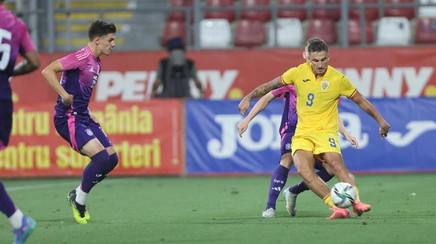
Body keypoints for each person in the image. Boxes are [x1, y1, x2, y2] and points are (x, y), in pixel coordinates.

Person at [238, 38, 390, 219]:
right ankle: (336, 207)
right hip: (301, 133)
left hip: (326, 133)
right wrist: (248, 97)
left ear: (329, 57)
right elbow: (269, 87)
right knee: (304, 170)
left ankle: (356, 202)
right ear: (307, 59)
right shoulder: (296, 74)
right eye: (316, 60)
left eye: (324, 59)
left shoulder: (338, 79)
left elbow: (361, 102)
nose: (320, 64)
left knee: (336, 165)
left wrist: (381, 122)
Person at [237, 84, 359, 218]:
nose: (318, 65)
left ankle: (293, 191)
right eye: (315, 61)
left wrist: (345, 133)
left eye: (322, 61)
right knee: (287, 159)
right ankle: (270, 207)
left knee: (330, 168)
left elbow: (332, 113)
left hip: (315, 132)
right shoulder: (293, 80)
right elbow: (266, 98)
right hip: (292, 130)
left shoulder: (327, 84)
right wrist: (247, 120)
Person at [42, 20, 118, 225]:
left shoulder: (98, 62)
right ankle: (79, 200)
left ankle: (76, 194)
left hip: (83, 115)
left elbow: (81, 92)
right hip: (68, 118)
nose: (113, 44)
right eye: (110, 40)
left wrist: (89, 111)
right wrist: (63, 94)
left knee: (112, 159)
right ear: (97, 40)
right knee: (101, 158)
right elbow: (47, 70)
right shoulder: (81, 57)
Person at [0, 1, 40, 243]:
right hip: (4, 100)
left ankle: (20, 221)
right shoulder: (17, 25)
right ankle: (19, 222)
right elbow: (34, 61)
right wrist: (7, 74)